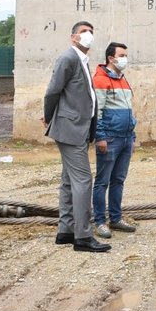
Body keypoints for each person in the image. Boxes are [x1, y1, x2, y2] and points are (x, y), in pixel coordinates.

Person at [43, 21, 109, 253]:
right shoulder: (68, 59)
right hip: (70, 128)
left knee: (69, 181)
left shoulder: (82, 61)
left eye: (91, 32)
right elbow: (53, 91)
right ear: (73, 38)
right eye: (83, 32)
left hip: (78, 128)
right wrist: (48, 115)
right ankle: (82, 236)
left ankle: (66, 231)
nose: (88, 35)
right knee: (83, 181)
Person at [91, 41, 137, 240]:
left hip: (126, 138)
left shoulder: (123, 80)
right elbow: (96, 112)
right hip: (109, 139)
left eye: (126, 55)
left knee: (118, 180)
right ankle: (100, 221)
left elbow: (128, 109)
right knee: (102, 182)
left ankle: (116, 218)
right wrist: (100, 137)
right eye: (122, 55)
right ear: (111, 58)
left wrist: (131, 133)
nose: (125, 58)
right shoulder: (100, 80)